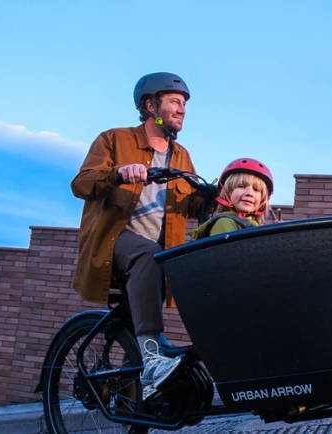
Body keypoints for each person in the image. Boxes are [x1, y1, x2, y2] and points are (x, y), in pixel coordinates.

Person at [70, 72, 204, 401]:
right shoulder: (114, 139)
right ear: (150, 105)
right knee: (147, 254)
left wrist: (220, 197)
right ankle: (150, 356)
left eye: (185, 103)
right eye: (175, 101)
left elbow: (190, 204)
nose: (182, 109)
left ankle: (147, 380)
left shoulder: (182, 155)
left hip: (159, 255)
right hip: (116, 241)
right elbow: (82, 183)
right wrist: (117, 173)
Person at [190, 158, 274, 239]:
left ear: (263, 199)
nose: (249, 193)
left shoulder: (254, 225)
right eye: (241, 186)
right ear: (227, 192)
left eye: (256, 190)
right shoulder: (224, 223)